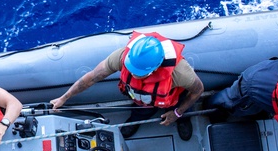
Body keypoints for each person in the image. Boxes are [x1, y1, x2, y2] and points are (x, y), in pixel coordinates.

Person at [50, 32, 204, 137]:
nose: (132, 73)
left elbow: (198, 90)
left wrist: (178, 112)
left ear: (156, 67)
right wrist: (64, 97)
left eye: (138, 72)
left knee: (183, 111)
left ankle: (182, 119)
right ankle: (136, 120)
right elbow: (92, 77)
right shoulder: (122, 56)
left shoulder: (180, 72)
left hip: (173, 99)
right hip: (142, 100)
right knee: (139, 111)